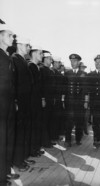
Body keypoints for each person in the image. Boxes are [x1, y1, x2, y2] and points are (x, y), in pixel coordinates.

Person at [12, 36, 34, 172]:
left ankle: (22, 157)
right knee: (19, 133)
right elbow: (13, 82)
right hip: (19, 103)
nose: (29, 48)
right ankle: (17, 162)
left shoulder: (22, 61)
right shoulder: (14, 60)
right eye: (27, 45)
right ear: (19, 45)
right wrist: (15, 101)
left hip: (25, 102)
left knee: (24, 132)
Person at [0, 23, 19, 186]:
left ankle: (4, 172)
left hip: (8, 105)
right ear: (0, 37)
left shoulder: (6, 56)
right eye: (10, 35)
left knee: (6, 140)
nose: (13, 38)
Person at [64, 54, 88, 147]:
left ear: (78, 62)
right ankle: (67, 140)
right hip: (69, 101)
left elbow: (86, 89)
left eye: (74, 61)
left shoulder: (83, 74)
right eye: (71, 61)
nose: (72, 63)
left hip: (80, 102)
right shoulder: (67, 73)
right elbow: (64, 88)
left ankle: (78, 139)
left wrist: (86, 102)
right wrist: (63, 100)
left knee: (79, 121)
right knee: (68, 121)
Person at [28, 46, 45, 157]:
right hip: (32, 101)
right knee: (32, 126)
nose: (42, 56)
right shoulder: (30, 66)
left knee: (37, 125)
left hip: (37, 101)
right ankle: (32, 150)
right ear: (34, 54)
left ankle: (35, 148)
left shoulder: (36, 67)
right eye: (40, 53)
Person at [39, 51, 56, 147]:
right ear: (45, 59)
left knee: (49, 120)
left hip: (50, 99)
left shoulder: (50, 70)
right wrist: (42, 98)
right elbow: (40, 86)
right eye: (50, 59)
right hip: (45, 99)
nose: (51, 60)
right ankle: (44, 142)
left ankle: (48, 139)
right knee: (44, 121)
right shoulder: (41, 69)